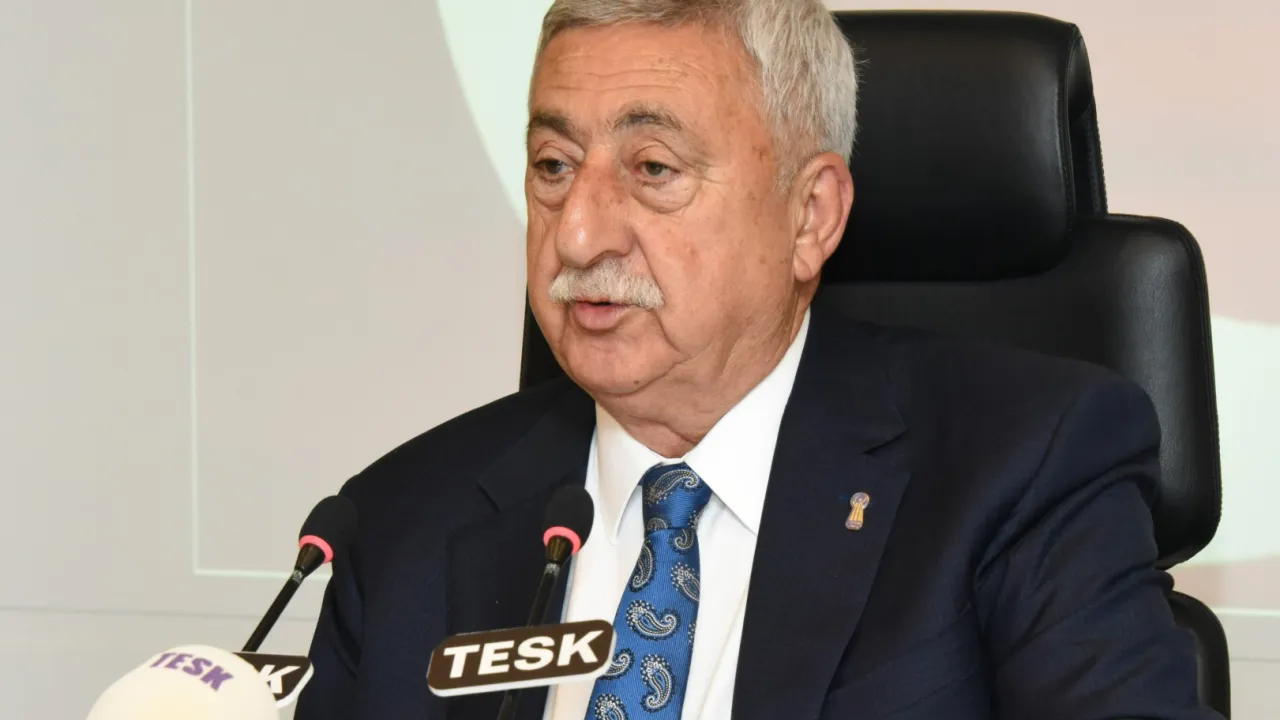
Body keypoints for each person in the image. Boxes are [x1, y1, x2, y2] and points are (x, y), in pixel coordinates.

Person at [296, 1, 1218, 718]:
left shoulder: (1019, 466)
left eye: (652, 169)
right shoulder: (400, 524)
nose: (576, 234)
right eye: (552, 166)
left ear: (809, 216)